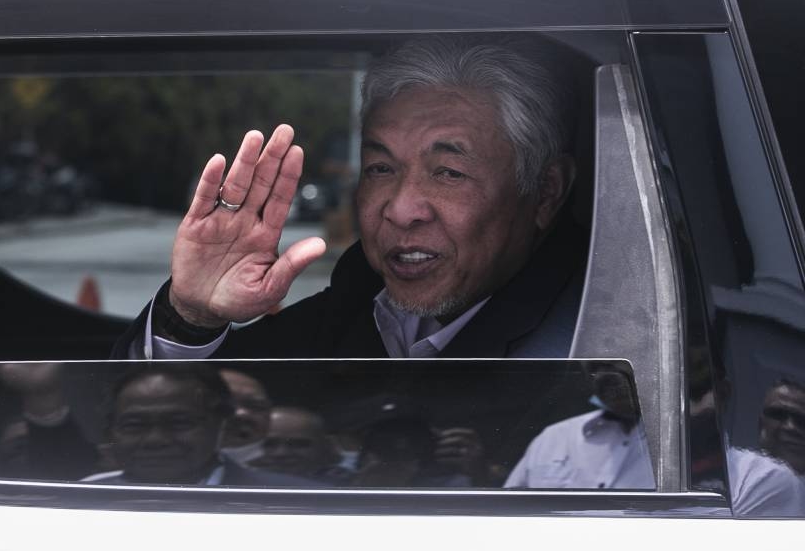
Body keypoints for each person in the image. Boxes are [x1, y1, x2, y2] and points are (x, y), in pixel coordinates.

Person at [112, 35, 587, 360]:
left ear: (545, 192)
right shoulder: (343, 316)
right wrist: (192, 317)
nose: (401, 210)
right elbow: (147, 441)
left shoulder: (595, 347)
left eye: (448, 172)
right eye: (381, 168)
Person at [82, 365, 316, 486]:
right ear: (110, 431)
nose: (156, 439)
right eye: (135, 425)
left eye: (179, 423)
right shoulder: (77, 501)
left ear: (220, 424)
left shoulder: (301, 499)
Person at [503, 362, 655, 489]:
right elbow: (505, 509)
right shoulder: (553, 437)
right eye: (593, 368)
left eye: (613, 365)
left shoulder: (675, 440)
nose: (602, 377)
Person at [248, 406, 344, 481]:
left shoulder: (348, 488)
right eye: (269, 444)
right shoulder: (235, 481)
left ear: (325, 447)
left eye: (298, 444)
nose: (281, 453)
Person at [758, 379, 805, 476]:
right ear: (761, 424)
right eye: (778, 414)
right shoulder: (732, 474)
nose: (790, 427)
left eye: (801, 420)